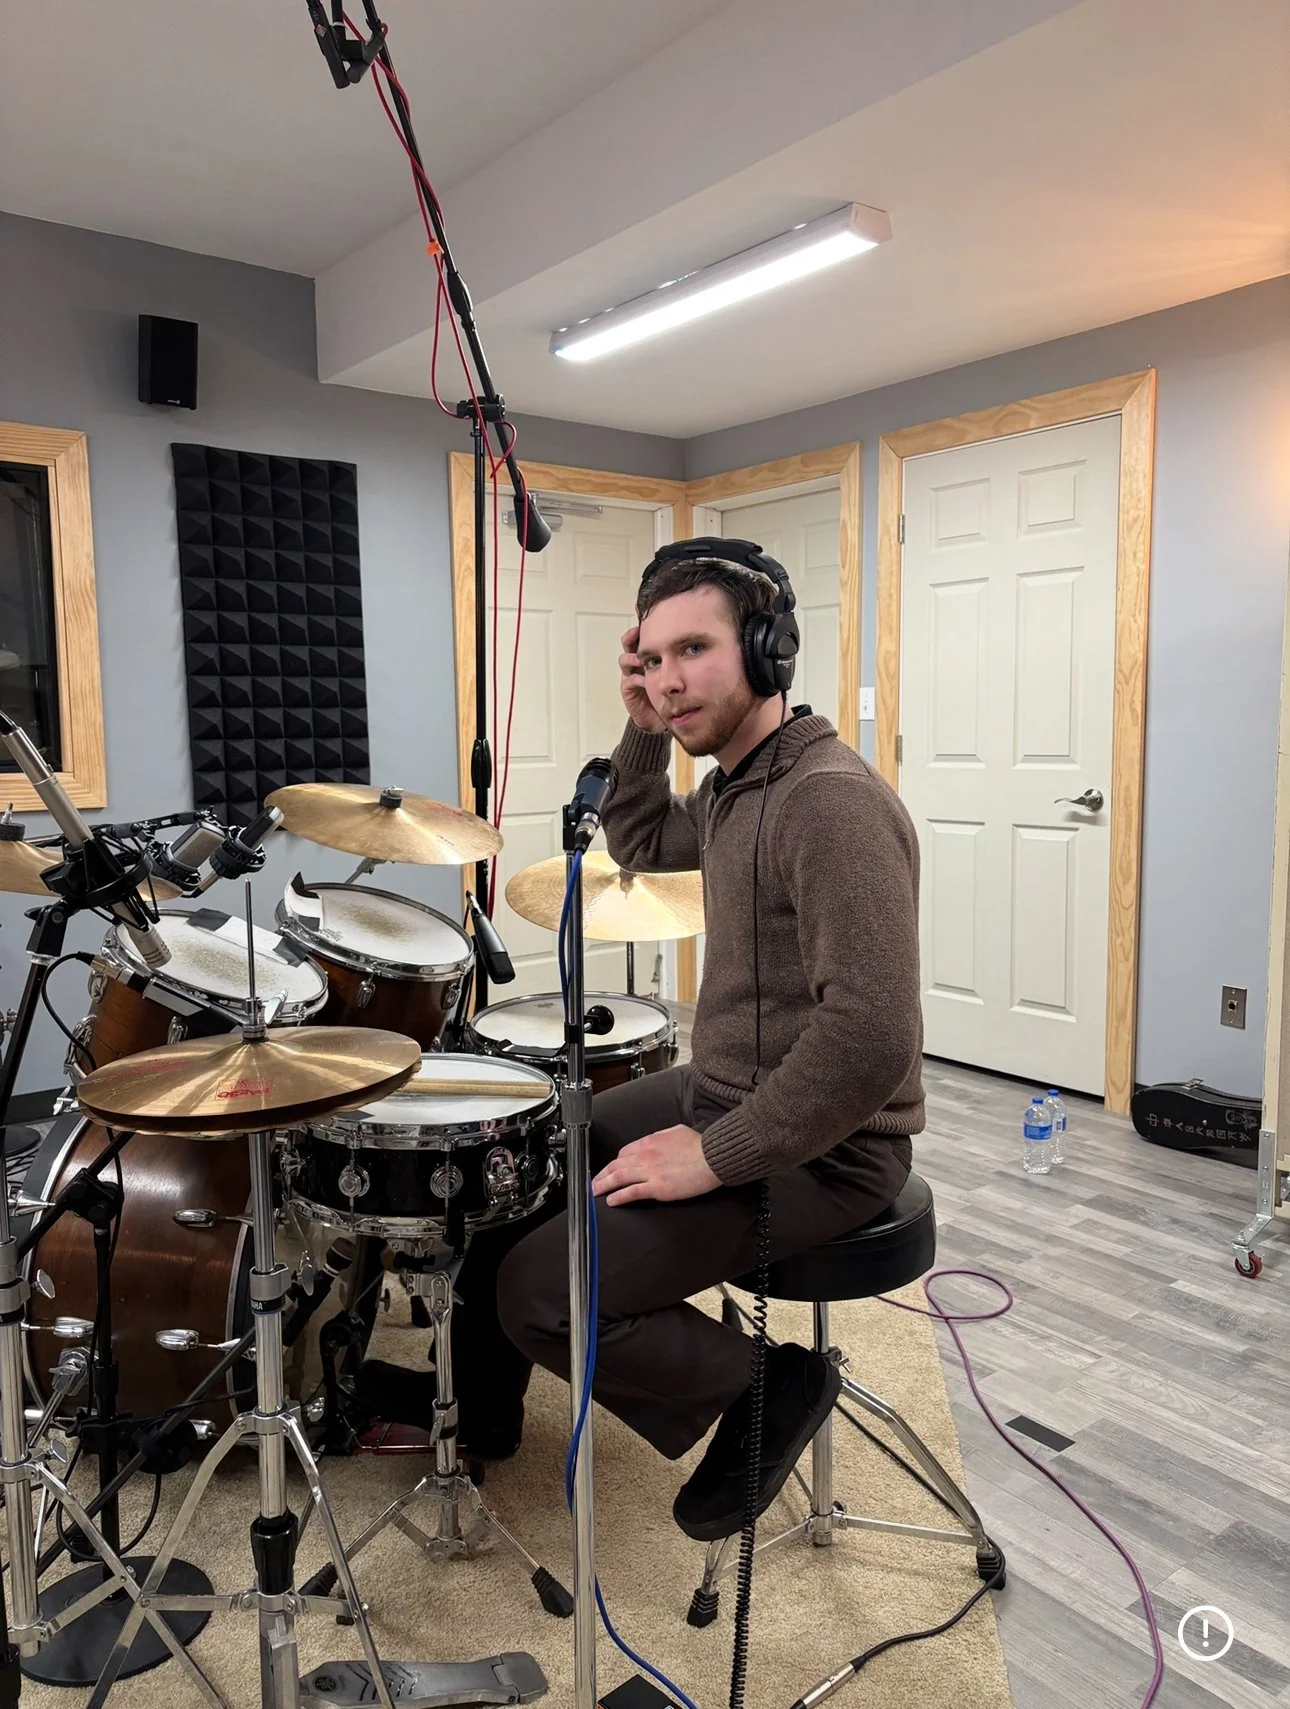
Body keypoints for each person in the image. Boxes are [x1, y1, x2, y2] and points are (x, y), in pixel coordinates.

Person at [491, 547, 925, 1541]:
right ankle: (480, 1416)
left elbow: (869, 1037)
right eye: (652, 656)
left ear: (770, 653)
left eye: (696, 648)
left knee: (543, 1288)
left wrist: (712, 1156)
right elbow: (641, 842)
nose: (670, 676)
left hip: (835, 1143)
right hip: (728, 1085)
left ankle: (767, 1380)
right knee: (526, 1152)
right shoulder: (739, 784)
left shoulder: (828, 802)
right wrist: (642, 728)